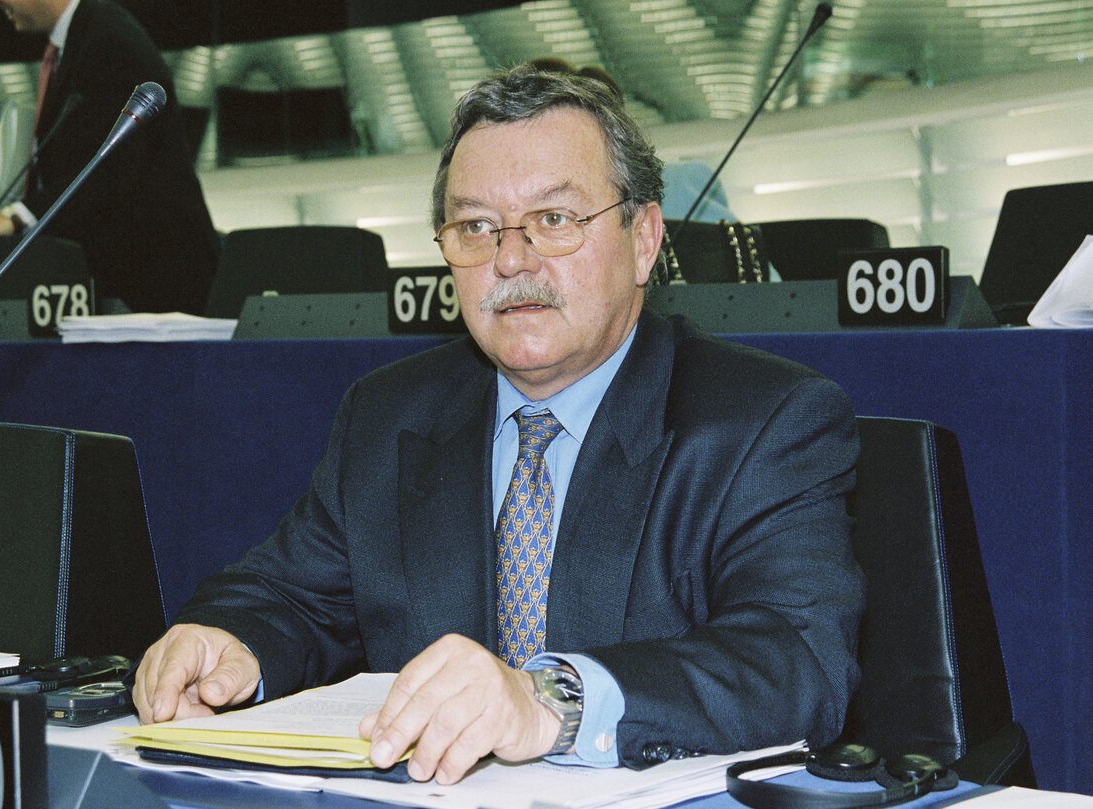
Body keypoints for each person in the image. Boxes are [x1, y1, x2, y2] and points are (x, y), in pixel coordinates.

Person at [134, 64, 863, 786]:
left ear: (643, 238)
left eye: (554, 219)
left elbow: (796, 657)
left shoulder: (764, 420)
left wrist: (547, 700)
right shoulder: (389, 416)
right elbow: (287, 597)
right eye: (476, 227)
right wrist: (226, 643)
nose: (511, 259)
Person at [0, 0, 219, 315]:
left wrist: (16, 216)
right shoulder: (81, 38)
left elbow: (114, 167)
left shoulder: (108, 39)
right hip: (126, 288)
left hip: (162, 291)